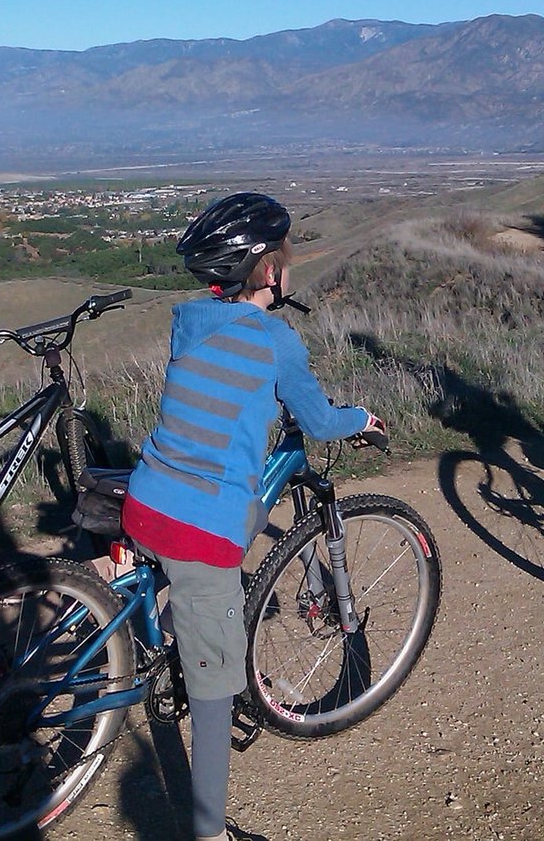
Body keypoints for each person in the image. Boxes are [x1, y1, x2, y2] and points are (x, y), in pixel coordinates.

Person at [121, 192, 382, 841]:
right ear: (270, 272)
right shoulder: (276, 341)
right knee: (214, 700)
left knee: (191, 585)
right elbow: (318, 421)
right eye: (285, 252)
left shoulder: (193, 320)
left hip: (144, 497)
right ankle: (209, 834)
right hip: (197, 527)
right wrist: (362, 421)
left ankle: (167, 631)